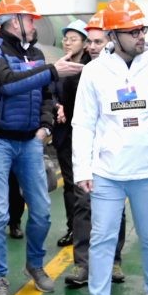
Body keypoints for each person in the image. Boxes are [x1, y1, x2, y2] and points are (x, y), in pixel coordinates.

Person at [71, 0, 148, 295]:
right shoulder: (94, 72)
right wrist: (82, 169)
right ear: (114, 36)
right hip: (107, 171)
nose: (140, 36)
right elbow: (83, 123)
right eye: (132, 31)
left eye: (142, 29)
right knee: (101, 238)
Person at [0, 0, 83, 295]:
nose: (34, 24)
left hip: (29, 142)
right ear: (12, 22)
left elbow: (48, 96)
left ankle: (34, 264)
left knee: (41, 210)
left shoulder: (36, 53)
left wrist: (47, 125)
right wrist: (52, 70)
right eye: (29, 19)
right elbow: (6, 84)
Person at [65, 11, 128, 289]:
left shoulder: (120, 74)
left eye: (98, 42)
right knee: (82, 205)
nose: (91, 47)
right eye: (89, 41)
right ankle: (83, 264)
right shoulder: (75, 74)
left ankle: (114, 259)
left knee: (115, 208)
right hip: (84, 150)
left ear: (111, 41)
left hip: (112, 152)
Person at [52, 19, 90, 247]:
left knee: (86, 185)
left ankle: (91, 230)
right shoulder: (58, 67)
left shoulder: (90, 68)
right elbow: (50, 92)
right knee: (69, 184)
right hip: (65, 136)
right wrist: (57, 106)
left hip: (85, 135)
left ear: (84, 44)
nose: (68, 43)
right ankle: (73, 229)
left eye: (73, 39)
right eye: (66, 38)